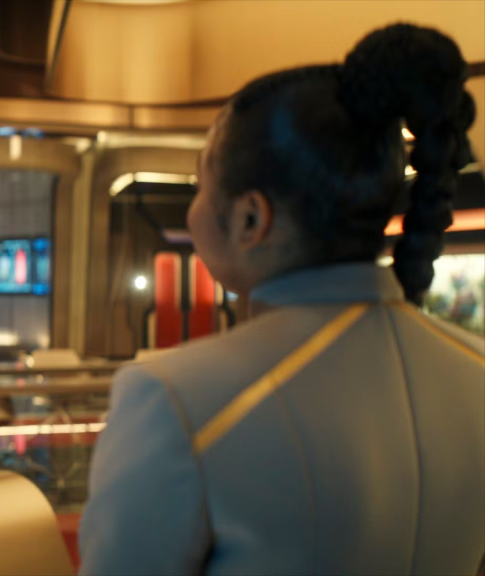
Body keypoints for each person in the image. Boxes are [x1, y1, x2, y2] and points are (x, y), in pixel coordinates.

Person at [79, 23, 483, 575]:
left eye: (200, 187)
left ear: (251, 219)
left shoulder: (171, 399)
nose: (193, 210)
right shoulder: (476, 369)